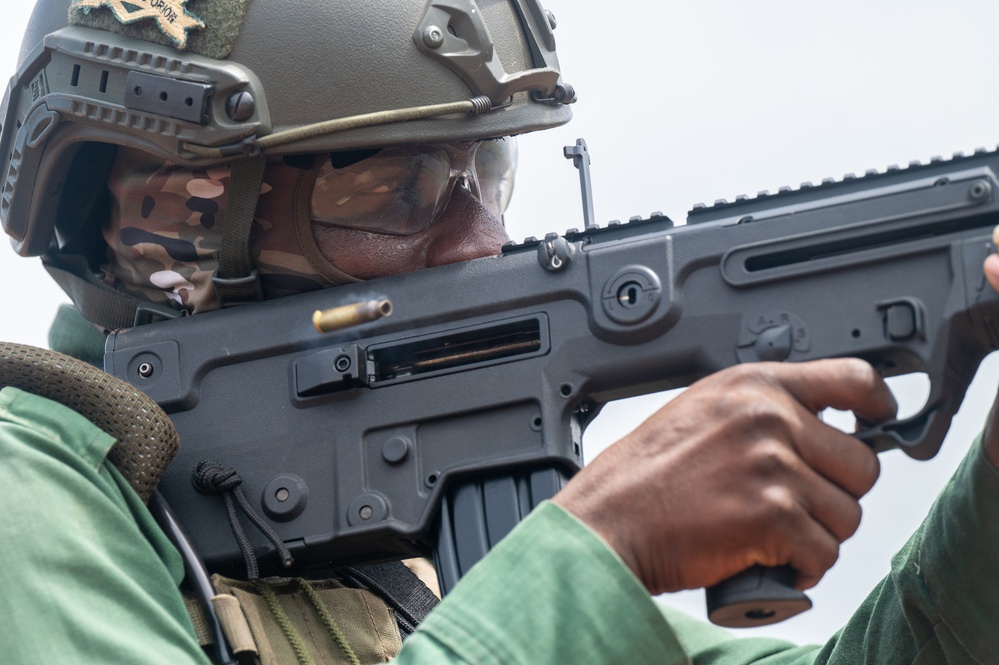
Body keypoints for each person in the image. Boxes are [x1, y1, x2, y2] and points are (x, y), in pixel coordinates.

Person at [1, 1, 998, 664]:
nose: (488, 242)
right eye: (400, 189)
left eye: (489, 175)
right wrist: (605, 544)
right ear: (177, 224)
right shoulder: (32, 499)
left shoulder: (411, 563)